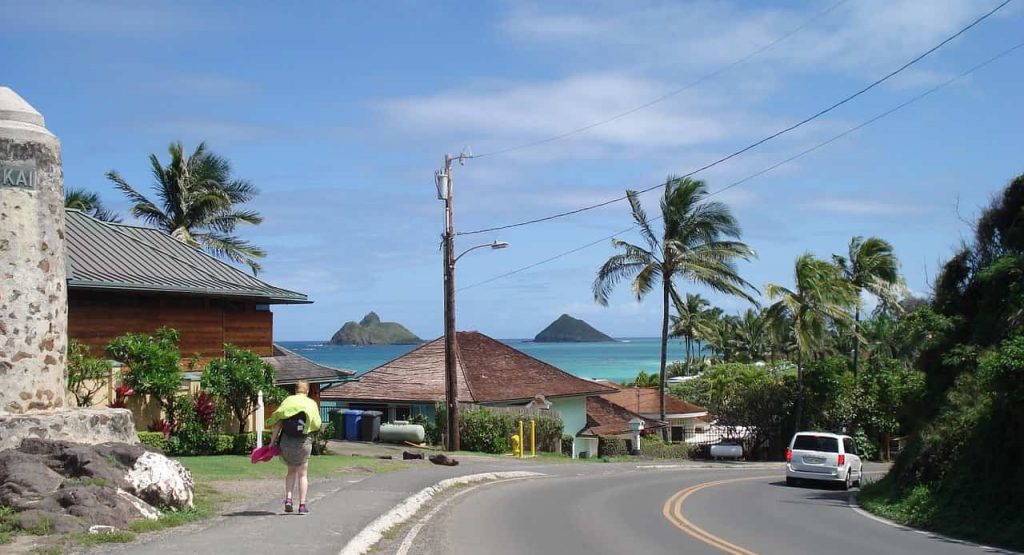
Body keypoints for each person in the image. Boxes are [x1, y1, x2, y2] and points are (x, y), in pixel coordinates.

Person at [266, 380, 321, 514]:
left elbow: (278, 424)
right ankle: (302, 506)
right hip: (303, 443)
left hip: (287, 442)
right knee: (303, 474)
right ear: (307, 391)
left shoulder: (288, 401)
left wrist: (271, 443)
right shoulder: (311, 403)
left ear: (295, 390)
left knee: (291, 472)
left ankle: (289, 499)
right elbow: (317, 424)